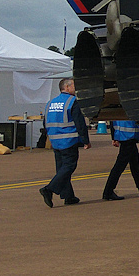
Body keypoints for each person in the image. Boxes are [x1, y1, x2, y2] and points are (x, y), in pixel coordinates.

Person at [40, 78, 89, 207]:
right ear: (66, 87)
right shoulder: (72, 102)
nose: (76, 88)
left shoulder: (50, 103)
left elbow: (45, 122)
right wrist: (85, 140)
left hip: (55, 141)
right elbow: (80, 123)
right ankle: (49, 189)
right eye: (74, 85)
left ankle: (68, 196)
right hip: (69, 140)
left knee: (61, 169)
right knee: (69, 167)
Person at [102, 119, 139, 200]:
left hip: (123, 136)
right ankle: (108, 192)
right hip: (129, 137)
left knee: (135, 165)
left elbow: (112, 120)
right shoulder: (132, 106)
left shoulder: (118, 107)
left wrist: (114, 137)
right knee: (119, 166)